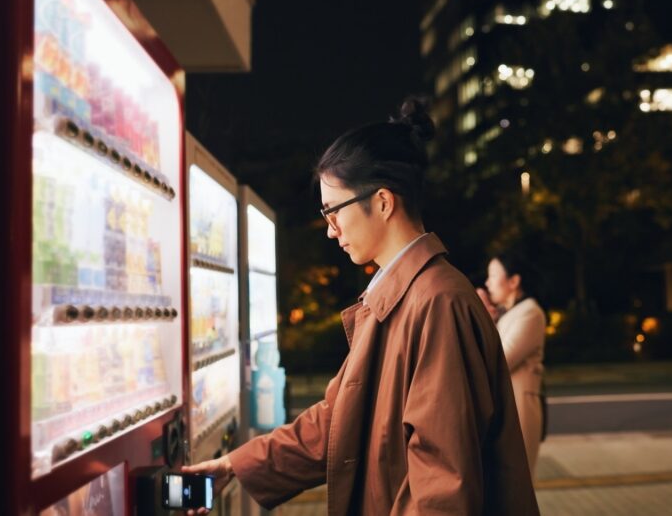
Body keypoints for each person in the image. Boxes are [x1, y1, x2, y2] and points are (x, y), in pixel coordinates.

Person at [183, 98, 539, 515]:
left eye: (333, 212)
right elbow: (339, 422)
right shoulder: (399, 295)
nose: (330, 231)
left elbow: (442, 487)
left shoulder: (437, 303)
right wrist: (236, 464)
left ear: (383, 202)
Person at [478, 252, 547, 480]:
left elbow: (500, 360)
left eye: (493, 275)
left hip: (520, 411)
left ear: (514, 281)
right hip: (507, 410)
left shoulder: (530, 313)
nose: (487, 283)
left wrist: (483, 321)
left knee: (516, 485)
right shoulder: (510, 314)